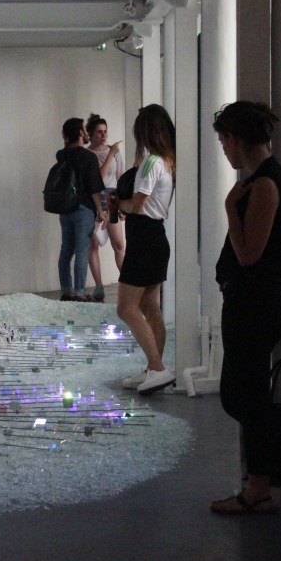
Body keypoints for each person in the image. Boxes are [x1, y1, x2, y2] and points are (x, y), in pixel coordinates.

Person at [209, 101, 281, 514]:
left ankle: (268, 483)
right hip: (252, 302)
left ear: (236, 139)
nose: (225, 150)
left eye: (224, 141)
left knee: (244, 395)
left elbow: (249, 255)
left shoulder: (265, 185)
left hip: (255, 304)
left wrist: (229, 208)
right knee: (243, 395)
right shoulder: (263, 181)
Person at [116, 104, 176, 395]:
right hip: (156, 237)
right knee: (150, 306)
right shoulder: (168, 161)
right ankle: (154, 369)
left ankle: (158, 367)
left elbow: (138, 205)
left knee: (126, 308)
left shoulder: (151, 162)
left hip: (143, 238)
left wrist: (118, 204)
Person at [54, 117, 107, 301]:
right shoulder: (88, 157)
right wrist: (100, 210)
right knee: (82, 251)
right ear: (80, 132)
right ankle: (79, 292)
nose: (86, 132)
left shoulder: (61, 155)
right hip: (83, 209)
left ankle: (66, 291)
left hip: (65, 209)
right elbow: (94, 188)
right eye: (83, 130)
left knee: (66, 251)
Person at [85, 113, 126, 302]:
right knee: (94, 244)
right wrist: (110, 154)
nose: (103, 135)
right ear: (91, 134)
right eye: (99, 132)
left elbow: (121, 178)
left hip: (112, 198)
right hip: (95, 200)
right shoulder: (88, 155)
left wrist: (122, 204)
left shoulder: (114, 152)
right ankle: (99, 286)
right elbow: (98, 178)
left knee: (119, 244)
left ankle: (126, 284)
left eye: (105, 132)